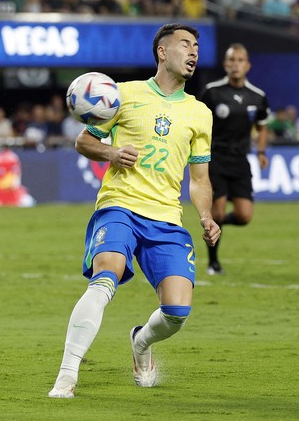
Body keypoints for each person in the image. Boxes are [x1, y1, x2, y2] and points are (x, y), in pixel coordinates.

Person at [48, 24, 221, 398]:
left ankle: (141, 343)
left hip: (166, 216)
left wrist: (206, 216)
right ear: (162, 51)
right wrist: (112, 152)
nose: (193, 52)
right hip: (120, 205)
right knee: (105, 275)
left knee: (177, 312)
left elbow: (200, 179)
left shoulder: (200, 113)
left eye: (196, 46)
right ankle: (67, 376)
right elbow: (84, 140)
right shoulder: (121, 95)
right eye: (185, 45)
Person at [199, 43, 270, 275]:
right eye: (232, 60)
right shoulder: (212, 92)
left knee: (244, 215)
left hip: (241, 160)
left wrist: (260, 152)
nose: (236, 64)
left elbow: (262, 127)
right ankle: (213, 262)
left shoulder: (257, 96)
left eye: (241, 60)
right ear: (226, 64)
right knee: (216, 212)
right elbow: (197, 123)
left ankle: (218, 225)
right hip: (216, 157)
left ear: (247, 65)